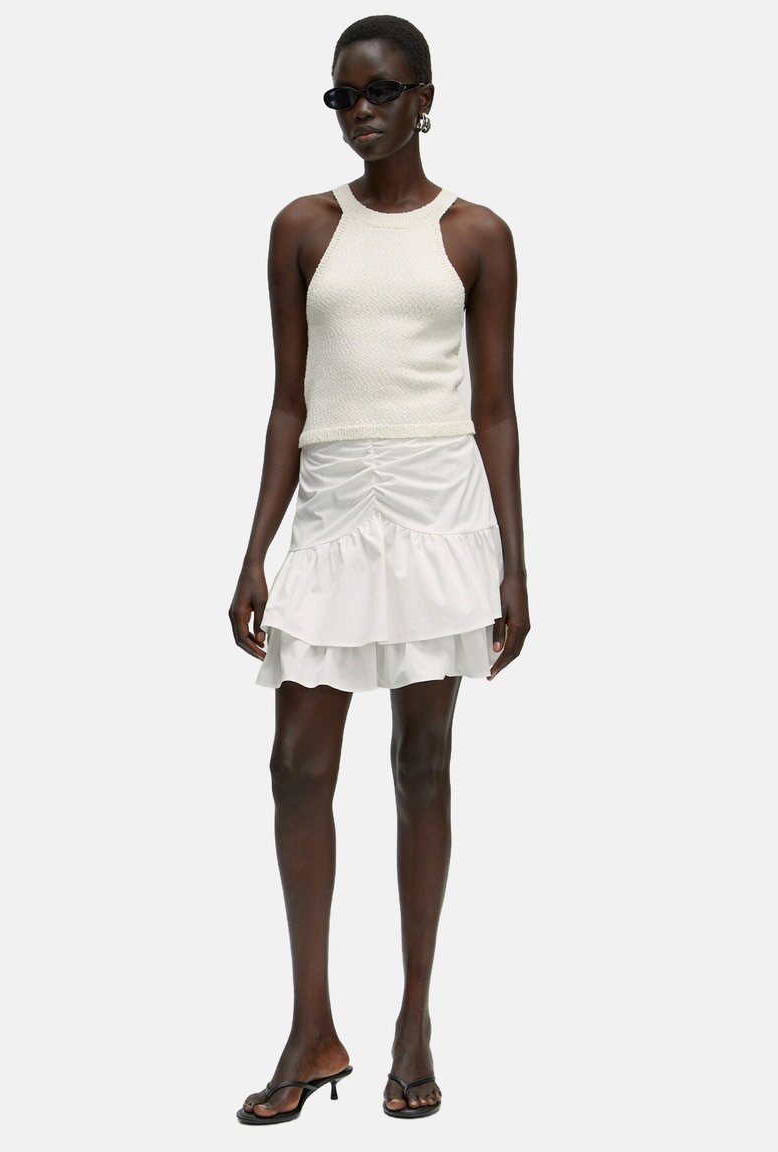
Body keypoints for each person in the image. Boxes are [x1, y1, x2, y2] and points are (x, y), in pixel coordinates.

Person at [228, 14, 530, 1124]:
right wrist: (255, 548)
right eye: (343, 96)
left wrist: (514, 566)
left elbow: (494, 411)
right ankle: (312, 1030)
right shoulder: (303, 228)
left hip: (436, 512)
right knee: (295, 766)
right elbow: (288, 401)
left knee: (422, 765)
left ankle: (413, 1026)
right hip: (332, 512)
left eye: (382, 91)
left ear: (425, 98)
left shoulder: (477, 235)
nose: (361, 111)